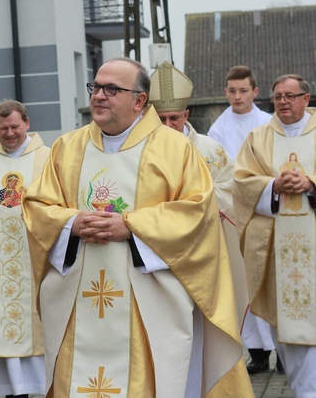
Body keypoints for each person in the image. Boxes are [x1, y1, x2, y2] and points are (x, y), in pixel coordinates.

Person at [22, 58, 252, 397]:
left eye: (112, 89)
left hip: (148, 302)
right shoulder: (66, 149)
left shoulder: (176, 149)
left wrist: (130, 227)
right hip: (77, 300)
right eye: (96, 87)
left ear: (139, 100)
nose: (99, 96)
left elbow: (197, 214)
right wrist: (72, 222)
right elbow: (37, 207)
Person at [235, 74, 316, 396]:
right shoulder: (259, 138)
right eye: (278, 96)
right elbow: (241, 184)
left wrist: (310, 184)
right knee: (288, 331)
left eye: (290, 95)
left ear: (306, 99)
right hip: (278, 259)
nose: (283, 101)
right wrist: (272, 186)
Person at [148, 61, 248, 323]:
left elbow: (232, 191)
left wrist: (197, 204)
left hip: (203, 249)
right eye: (161, 119)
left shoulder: (209, 149)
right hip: (157, 250)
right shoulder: (141, 153)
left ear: (186, 115)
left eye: (174, 118)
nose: (168, 124)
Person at [0, 100, 49, 398]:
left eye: (15, 127)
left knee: (41, 328)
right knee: (7, 333)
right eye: (3, 128)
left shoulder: (48, 159)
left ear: (27, 123)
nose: (9, 133)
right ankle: (15, 393)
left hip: (37, 263)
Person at [207, 65, 276, 374]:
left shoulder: (268, 123)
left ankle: (284, 352)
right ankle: (258, 352)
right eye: (232, 91)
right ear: (226, 92)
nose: (237, 96)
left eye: (243, 91)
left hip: (266, 211)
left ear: (255, 92)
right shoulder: (217, 129)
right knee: (243, 283)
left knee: (271, 281)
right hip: (234, 216)